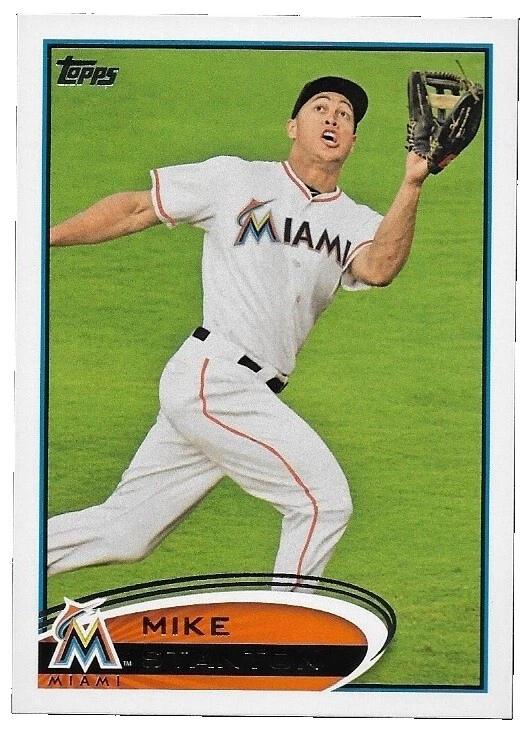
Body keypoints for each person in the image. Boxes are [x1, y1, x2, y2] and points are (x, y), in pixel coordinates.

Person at [47, 76, 429, 591]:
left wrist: (412, 182)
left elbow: (379, 267)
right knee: (323, 502)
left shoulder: (356, 221)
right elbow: (137, 208)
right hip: (216, 376)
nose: (334, 117)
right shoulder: (235, 178)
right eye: (320, 107)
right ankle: (285, 628)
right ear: (293, 127)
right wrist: (42, 238)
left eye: (345, 114)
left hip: (242, 392)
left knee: (125, 531)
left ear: (353, 140)